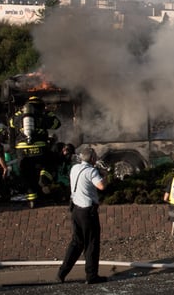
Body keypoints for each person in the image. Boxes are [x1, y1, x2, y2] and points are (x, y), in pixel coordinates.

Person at [56, 147, 108, 284]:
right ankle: (91, 275)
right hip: (87, 211)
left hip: (75, 210)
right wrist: (105, 174)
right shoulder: (91, 171)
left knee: (76, 242)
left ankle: (62, 272)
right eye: (95, 156)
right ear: (92, 158)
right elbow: (101, 186)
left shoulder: (74, 168)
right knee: (91, 243)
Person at [9, 94, 61, 208]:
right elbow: (57, 124)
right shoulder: (43, 114)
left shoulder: (19, 115)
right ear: (41, 105)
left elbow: (11, 123)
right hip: (39, 147)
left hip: (22, 150)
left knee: (27, 174)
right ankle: (44, 179)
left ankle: (32, 200)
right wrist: (49, 113)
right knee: (50, 162)